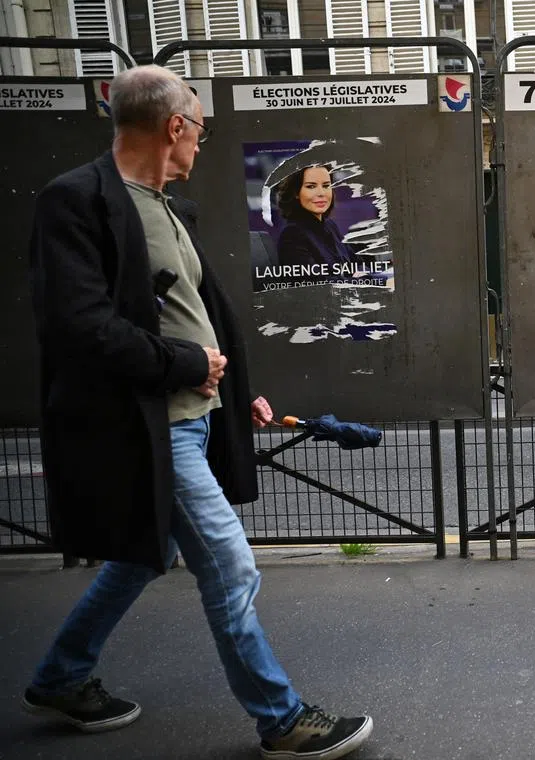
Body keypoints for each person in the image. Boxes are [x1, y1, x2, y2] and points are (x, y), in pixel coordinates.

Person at [23, 65, 373, 760]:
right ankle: (282, 720)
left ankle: (61, 676)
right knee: (232, 568)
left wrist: (235, 389)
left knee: (142, 556)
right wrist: (186, 365)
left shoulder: (164, 207)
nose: (202, 143)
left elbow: (191, 315)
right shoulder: (77, 201)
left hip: (192, 414)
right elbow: (77, 324)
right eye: (200, 129)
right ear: (173, 126)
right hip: (150, 423)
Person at [274, 165, 356, 268]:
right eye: (311, 186)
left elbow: (358, 264)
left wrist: (361, 275)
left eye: (326, 186)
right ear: (296, 192)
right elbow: (318, 282)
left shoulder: (330, 225)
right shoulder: (292, 234)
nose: (321, 193)